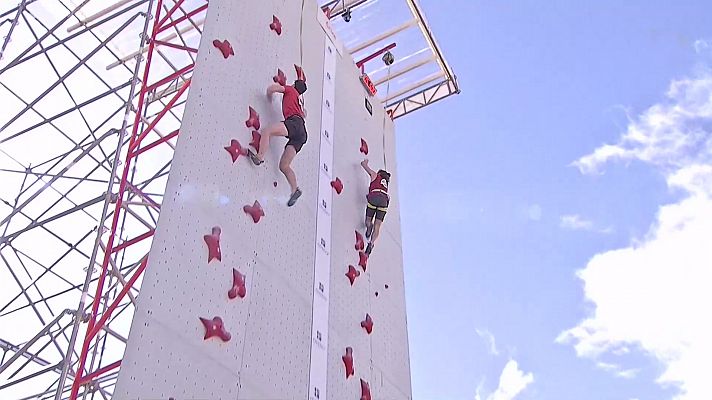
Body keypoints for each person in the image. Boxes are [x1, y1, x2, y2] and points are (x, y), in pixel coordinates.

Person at [248, 79, 308, 206]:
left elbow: (272, 89)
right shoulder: (300, 104)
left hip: (294, 123)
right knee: (284, 166)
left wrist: (268, 97)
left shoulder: (290, 90)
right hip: (301, 133)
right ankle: (294, 189)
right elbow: (304, 115)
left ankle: (259, 157)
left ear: (293, 85)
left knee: (267, 131)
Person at [361, 159, 391, 255]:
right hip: (384, 202)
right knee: (377, 226)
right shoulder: (386, 186)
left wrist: (365, 162)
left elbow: (364, 165)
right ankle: (371, 243)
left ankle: (369, 228)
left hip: (374, 197)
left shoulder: (375, 175)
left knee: (368, 221)